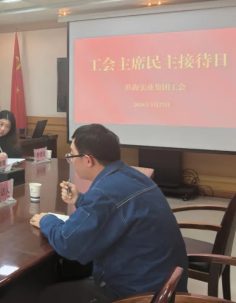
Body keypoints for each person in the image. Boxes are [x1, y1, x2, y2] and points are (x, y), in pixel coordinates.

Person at [30, 124, 188, 303]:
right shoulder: (132, 175)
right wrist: (81, 200)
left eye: (71, 155)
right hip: (164, 284)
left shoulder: (105, 192)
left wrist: (46, 220)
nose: (71, 160)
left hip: (139, 295)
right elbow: (115, 212)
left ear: (88, 160)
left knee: (48, 295)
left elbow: (68, 243)